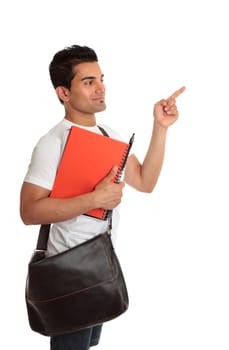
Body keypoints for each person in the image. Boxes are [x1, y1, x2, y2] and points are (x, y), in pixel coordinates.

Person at [20, 44, 185, 350]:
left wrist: (160, 128)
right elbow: (29, 212)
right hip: (68, 272)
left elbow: (146, 181)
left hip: (97, 266)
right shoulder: (52, 142)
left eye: (101, 79)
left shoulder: (110, 135)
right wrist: (95, 199)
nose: (101, 88)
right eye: (88, 81)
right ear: (63, 93)